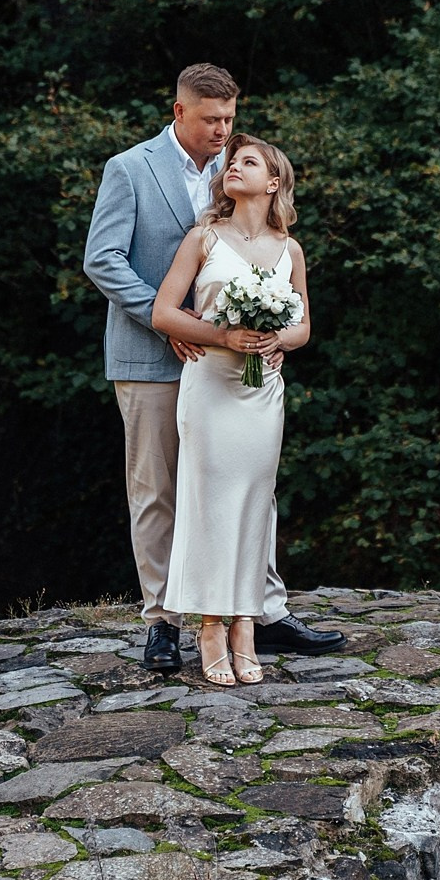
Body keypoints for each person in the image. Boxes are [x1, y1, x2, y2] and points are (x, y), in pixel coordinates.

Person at [82, 64, 346, 673]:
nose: (223, 132)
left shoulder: (238, 172)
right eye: (210, 120)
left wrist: (270, 335)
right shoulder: (130, 169)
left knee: (250, 485)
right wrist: (176, 324)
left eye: (229, 120)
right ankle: (162, 623)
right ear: (179, 112)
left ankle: (263, 609)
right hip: (153, 355)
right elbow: (102, 259)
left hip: (235, 371)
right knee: (159, 492)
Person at [150, 134, 309, 683]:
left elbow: (304, 326)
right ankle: (210, 625)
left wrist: (277, 341)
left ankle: (246, 622)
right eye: (232, 161)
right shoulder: (204, 237)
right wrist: (224, 334)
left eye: (248, 162)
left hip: (262, 392)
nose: (233, 167)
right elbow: (164, 313)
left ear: (273, 183)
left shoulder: (290, 249)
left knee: (253, 505)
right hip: (211, 387)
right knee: (208, 503)